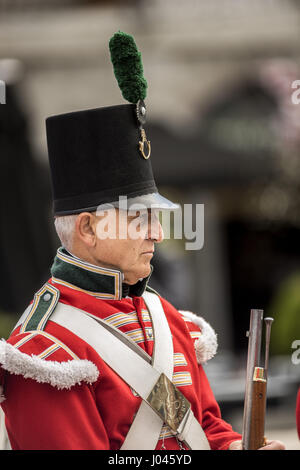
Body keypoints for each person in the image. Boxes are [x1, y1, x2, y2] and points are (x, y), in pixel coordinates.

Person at [0, 32, 285, 451]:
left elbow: (204, 427)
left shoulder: (163, 316)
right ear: (88, 228)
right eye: (138, 218)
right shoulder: (43, 351)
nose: (158, 233)